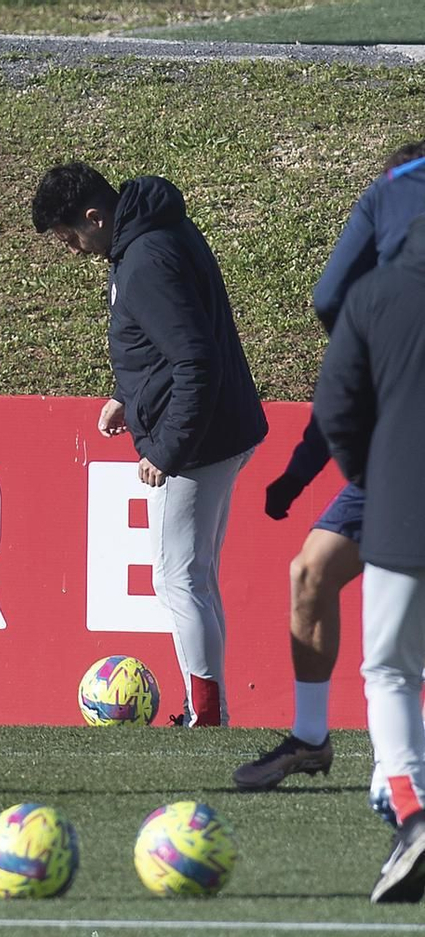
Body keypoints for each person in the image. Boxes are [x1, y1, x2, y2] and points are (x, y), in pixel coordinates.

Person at [32, 162, 267, 727]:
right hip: (221, 427)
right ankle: (209, 708)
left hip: (199, 439)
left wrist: (165, 448)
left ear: (95, 216)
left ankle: (205, 713)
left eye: (70, 237)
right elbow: (177, 339)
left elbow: (195, 361)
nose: (70, 249)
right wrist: (126, 394)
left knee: (175, 577)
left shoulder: (142, 262)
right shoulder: (155, 233)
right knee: (196, 576)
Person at [234, 141, 425, 796]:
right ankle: (311, 738)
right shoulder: (385, 312)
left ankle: (403, 785)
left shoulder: (383, 257)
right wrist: (298, 473)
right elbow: (343, 395)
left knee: (397, 647)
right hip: (393, 461)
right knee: (311, 570)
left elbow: (329, 300)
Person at [311, 212, 425, 903]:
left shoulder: (376, 293)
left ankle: (411, 812)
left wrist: (373, 478)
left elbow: (338, 408)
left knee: (388, 668)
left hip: (405, 509)